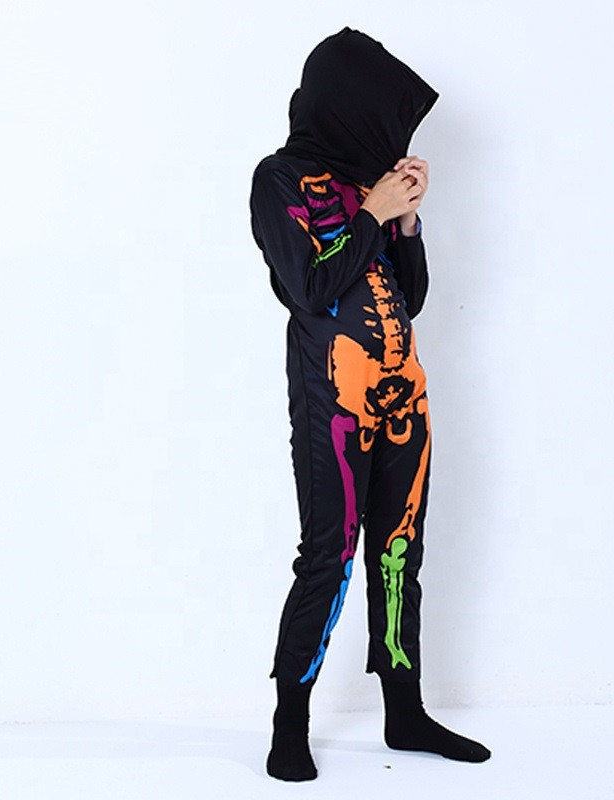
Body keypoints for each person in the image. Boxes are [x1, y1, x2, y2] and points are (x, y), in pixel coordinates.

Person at [249, 27, 490, 782]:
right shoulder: (278, 180)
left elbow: (408, 299)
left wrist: (406, 220)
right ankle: (290, 722)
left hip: (405, 398)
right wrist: (370, 212)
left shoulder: (369, 186)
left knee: (399, 553)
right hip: (334, 404)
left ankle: (404, 712)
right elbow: (309, 288)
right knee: (328, 556)